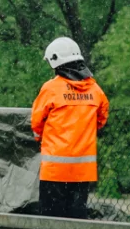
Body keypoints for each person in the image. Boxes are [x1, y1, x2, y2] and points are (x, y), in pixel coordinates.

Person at [31, 37, 109, 219]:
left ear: (56, 61)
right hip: (83, 170)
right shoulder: (95, 90)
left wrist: (42, 138)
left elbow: (36, 123)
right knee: (76, 221)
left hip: (54, 172)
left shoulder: (51, 88)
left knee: (51, 221)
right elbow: (102, 119)